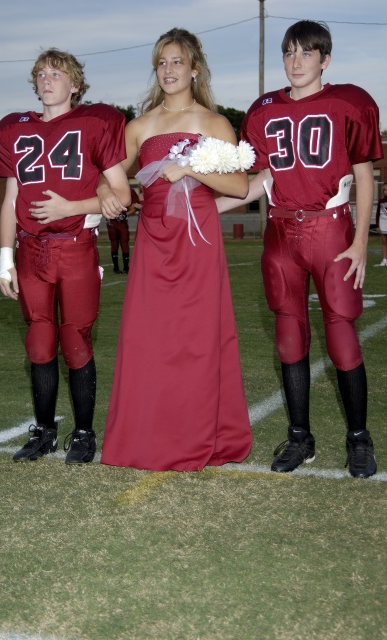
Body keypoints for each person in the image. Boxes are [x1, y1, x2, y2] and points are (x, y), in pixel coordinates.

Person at [217, 20, 383, 478]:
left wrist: (361, 241)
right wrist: (207, 207)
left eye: (306, 52)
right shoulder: (264, 109)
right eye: (289, 52)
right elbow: (260, 180)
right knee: (289, 336)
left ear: (325, 59)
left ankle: (359, 438)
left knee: (342, 338)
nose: (296, 61)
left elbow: (364, 174)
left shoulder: (349, 101)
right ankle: (299, 438)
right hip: (281, 232)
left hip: (331, 230)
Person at [97, 27, 253, 471]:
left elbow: (240, 186)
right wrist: (104, 190)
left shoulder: (215, 123)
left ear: (194, 69)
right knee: (149, 339)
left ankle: (196, 436)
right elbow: (110, 175)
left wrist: (190, 169)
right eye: (162, 63)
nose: (168, 70)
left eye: (177, 62)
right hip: (153, 240)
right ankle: (147, 435)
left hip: (198, 240)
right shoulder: (139, 126)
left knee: (197, 339)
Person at [0, 48, 130, 464]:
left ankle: (84, 433)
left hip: (74, 247)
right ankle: (44, 431)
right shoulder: (14, 129)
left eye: (57, 73)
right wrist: (6, 261)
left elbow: (122, 196)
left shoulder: (95, 122)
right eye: (42, 74)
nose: (47, 80)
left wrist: (71, 207)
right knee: (39, 341)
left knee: (75, 340)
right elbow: (11, 199)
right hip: (30, 251)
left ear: (76, 84)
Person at [107, 187, 141, 274]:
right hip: (112, 221)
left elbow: (135, 206)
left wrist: (126, 214)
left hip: (122, 222)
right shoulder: (108, 189)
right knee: (114, 242)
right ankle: (116, 267)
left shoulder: (129, 189)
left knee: (124, 242)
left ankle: (126, 267)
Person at [374, 182, 387, 266]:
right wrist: (377, 225)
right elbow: (377, 213)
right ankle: (384, 260)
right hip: (382, 222)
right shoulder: (381, 201)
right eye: (384, 190)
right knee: (384, 241)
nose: (386, 191)